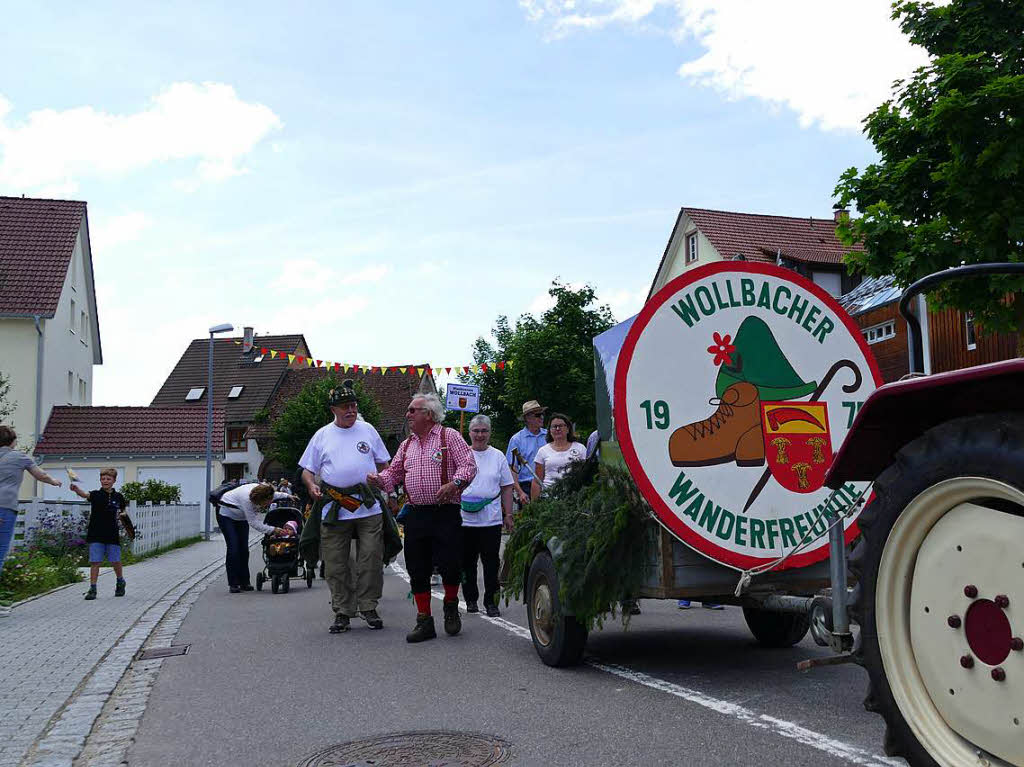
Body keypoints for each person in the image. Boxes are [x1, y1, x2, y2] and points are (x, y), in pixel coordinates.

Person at [368, 392, 476, 643]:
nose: (407, 414)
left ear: (428, 414)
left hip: (446, 511)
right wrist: (378, 480)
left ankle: (450, 605)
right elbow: (393, 474)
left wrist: (455, 484)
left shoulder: (449, 437)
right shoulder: (407, 444)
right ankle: (424, 620)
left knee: (450, 564)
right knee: (417, 567)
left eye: (412, 410)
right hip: (416, 513)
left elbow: (469, 466)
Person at [299, 380, 391, 634]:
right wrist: (310, 486)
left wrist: (383, 481)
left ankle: (369, 606)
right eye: (344, 407)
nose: (350, 410)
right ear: (333, 410)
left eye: (353, 405)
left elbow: (385, 464)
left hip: (368, 506)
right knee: (336, 562)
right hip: (334, 507)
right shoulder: (322, 435)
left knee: (370, 558)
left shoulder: (368, 430)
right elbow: (308, 470)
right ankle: (343, 611)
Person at [0, 426, 62, 611]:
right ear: (13, 441)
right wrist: (54, 482)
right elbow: (40, 474)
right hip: (4, 508)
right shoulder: (18, 457)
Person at [460, 414, 514, 617]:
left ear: (490, 433)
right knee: (467, 562)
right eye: (476, 431)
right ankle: (471, 599)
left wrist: (508, 514)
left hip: (491, 519)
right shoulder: (462, 454)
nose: (480, 435)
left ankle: (492, 602)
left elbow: (507, 487)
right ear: (469, 432)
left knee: (491, 563)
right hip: (464, 519)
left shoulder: (498, 456)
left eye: (484, 431)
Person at [216, 482, 291, 593]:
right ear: (258, 500)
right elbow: (254, 523)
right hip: (227, 516)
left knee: (244, 550)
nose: (267, 505)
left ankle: (244, 582)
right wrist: (273, 530)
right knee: (233, 548)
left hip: (241, 518)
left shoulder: (264, 491)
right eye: (265, 503)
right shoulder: (246, 499)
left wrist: (288, 496)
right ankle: (233, 583)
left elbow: (273, 495)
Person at [70, 468, 129, 600]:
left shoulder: (118, 497)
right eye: (103, 479)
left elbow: (123, 510)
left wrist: (123, 516)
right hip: (96, 533)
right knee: (95, 561)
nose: (105, 481)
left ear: (114, 480)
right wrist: (76, 489)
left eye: (108, 479)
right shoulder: (95, 494)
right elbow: (85, 495)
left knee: (115, 560)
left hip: (112, 533)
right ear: (100, 480)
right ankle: (93, 588)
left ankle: (120, 581)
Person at [531, 413, 586, 500]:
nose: (557, 429)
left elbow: (586, 474)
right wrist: (533, 507)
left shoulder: (580, 448)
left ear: (568, 428)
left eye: (561, 426)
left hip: (575, 497)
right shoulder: (543, 451)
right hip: (550, 499)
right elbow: (537, 481)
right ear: (550, 430)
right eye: (554, 426)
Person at [505, 400, 547, 507]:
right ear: (528, 418)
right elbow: (512, 468)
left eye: (542, 414)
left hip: (549, 484)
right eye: (538, 415)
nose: (542, 417)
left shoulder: (549, 436)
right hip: (526, 487)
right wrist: (520, 492)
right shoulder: (516, 439)